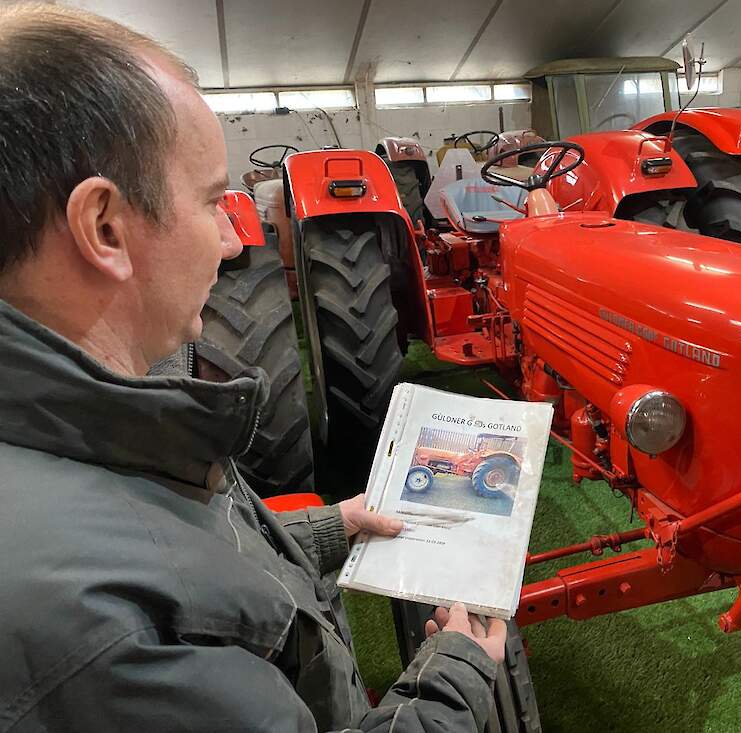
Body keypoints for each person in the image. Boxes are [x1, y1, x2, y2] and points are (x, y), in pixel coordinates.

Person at [0, 4, 506, 731]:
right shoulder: (103, 637)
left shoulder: (102, 436)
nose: (230, 244)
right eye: (211, 201)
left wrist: (334, 528)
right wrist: (455, 674)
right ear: (104, 228)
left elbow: (193, 564)